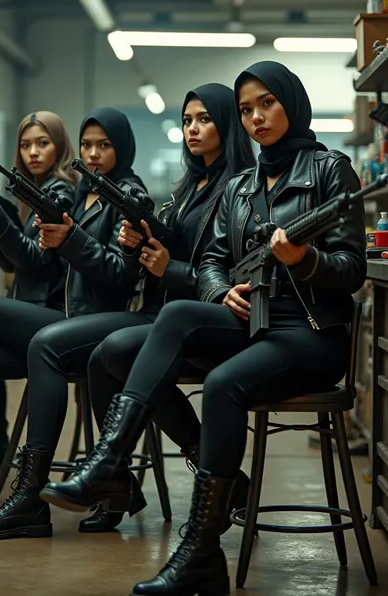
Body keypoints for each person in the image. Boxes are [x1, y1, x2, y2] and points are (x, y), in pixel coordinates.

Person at [39, 60, 366, 596]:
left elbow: (351, 271)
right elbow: (212, 258)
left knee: (221, 386)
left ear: (292, 103)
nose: (256, 117)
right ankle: (109, 459)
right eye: (246, 110)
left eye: (266, 104)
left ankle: (199, 551)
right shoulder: (241, 185)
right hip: (249, 319)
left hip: (308, 332)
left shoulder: (331, 171)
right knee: (173, 316)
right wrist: (218, 291)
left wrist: (304, 260)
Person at [0, 82, 256, 540]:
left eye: (204, 119)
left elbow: (224, 266)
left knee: (55, 345)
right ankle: (111, 484)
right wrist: (144, 246)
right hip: (160, 310)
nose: (192, 129)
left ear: (227, 125)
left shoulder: (237, 186)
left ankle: (41, 492)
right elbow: (162, 252)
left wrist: (166, 266)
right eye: (187, 120)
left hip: (197, 316)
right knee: (105, 356)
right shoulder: (190, 185)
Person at [0, 107, 144, 517]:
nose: (93, 153)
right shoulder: (86, 192)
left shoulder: (110, 193)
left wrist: (9, 221)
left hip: (78, 320)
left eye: (104, 145)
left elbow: (67, 266)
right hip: (61, 317)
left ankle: (32, 489)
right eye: (88, 144)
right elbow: (15, 263)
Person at [0, 111, 78, 478]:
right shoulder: (29, 192)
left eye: (43, 142)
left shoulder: (59, 190)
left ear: (60, 146)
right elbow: (10, 265)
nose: (33, 152)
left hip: (49, 315)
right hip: (30, 309)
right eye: (25, 144)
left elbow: (34, 260)